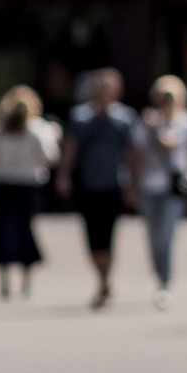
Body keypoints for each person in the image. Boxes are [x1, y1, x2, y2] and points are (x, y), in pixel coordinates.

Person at [61, 68, 139, 309]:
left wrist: (133, 186)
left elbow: (132, 154)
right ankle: (101, 276)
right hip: (88, 184)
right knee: (92, 236)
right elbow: (71, 148)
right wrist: (63, 174)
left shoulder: (124, 119)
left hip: (114, 185)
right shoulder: (81, 117)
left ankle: (104, 279)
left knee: (109, 235)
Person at [0, 87, 60, 297]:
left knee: (5, 231)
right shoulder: (37, 129)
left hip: (6, 185)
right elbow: (51, 157)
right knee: (25, 231)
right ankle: (26, 280)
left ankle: (5, 280)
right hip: (26, 186)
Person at [131, 77, 187, 307]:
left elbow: (170, 144)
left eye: (170, 99)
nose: (166, 103)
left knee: (166, 235)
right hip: (149, 186)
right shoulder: (145, 122)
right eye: (162, 99)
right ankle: (159, 277)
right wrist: (133, 185)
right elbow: (136, 154)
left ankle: (166, 282)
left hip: (174, 187)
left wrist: (156, 127)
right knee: (153, 237)